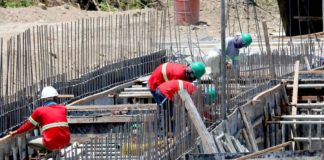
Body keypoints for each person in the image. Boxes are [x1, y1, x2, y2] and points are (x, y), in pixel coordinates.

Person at [9, 86, 70, 152]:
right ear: (56, 98)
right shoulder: (63, 108)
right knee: (54, 137)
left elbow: (28, 125)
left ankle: (49, 151)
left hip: (51, 143)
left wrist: (16, 132)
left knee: (29, 141)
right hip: (65, 141)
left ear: (44, 99)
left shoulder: (39, 111)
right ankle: (56, 151)